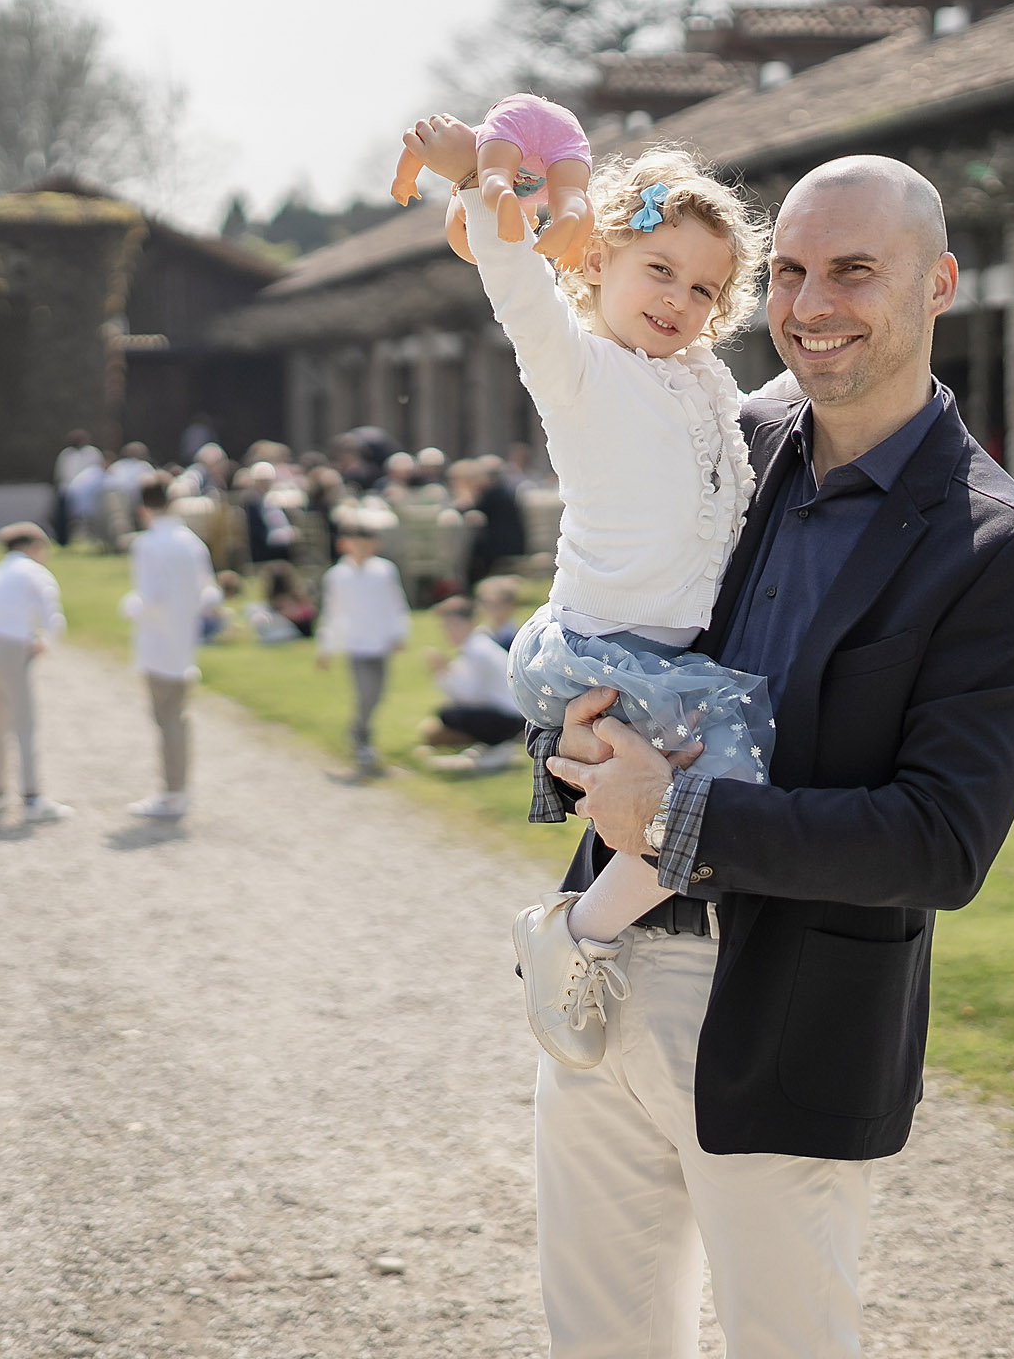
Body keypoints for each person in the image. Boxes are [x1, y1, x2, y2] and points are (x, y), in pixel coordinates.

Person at [528, 156, 1014, 1356]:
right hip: (604, 972)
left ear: (940, 285)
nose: (811, 302)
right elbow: (616, 608)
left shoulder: (1000, 547)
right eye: (790, 273)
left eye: (854, 271)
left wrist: (680, 818)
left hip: (790, 1016)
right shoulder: (729, 427)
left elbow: (941, 841)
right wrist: (559, 736)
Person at [395, 113, 772, 1057]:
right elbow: (519, 286)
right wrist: (495, 200)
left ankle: (609, 929)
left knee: (706, 792)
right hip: (604, 647)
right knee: (728, 777)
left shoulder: (702, 381)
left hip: (656, 652)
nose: (681, 300)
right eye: (660, 270)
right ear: (598, 258)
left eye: (705, 289)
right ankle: (578, 935)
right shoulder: (582, 370)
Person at [121, 478, 214, 821]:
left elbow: (152, 598)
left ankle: (173, 793)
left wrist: (130, 606)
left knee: (167, 720)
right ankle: (178, 789)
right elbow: (209, 594)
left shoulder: (148, 544)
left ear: (143, 508)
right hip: (184, 640)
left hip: (159, 643)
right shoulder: (191, 542)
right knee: (177, 716)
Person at [0, 522, 75, 823]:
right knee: (24, 724)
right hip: (13, 647)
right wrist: (46, 642)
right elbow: (52, 616)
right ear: (33, 546)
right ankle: (31, 796)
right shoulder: (33, 572)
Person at [315, 511, 408, 780]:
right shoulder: (338, 576)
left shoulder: (384, 571)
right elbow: (332, 612)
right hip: (357, 645)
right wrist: (326, 647)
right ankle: (361, 739)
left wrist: (398, 632)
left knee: (378, 694)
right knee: (365, 693)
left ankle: (362, 734)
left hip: (380, 643)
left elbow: (395, 603)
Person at [416, 596, 526, 758]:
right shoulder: (476, 645)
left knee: (448, 714)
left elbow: (468, 695)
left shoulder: (478, 650)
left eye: (453, 626)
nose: (448, 632)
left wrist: (441, 672)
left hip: (510, 716)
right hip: (509, 712)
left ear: (469, 623)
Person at [451, 456, 529, 594]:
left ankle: (466, 592)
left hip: (502, 547)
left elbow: (471, 513)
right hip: (507, 544)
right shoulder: (498, 491)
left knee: (468, 554)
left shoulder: (492, 494)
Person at [53, 430, 104, 546]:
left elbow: (96, 473)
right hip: (67, 490)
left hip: (88, 492)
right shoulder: (66, 454)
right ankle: (63, 541)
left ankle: (95, 541)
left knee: (90, 518)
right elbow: (60, 474)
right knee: (63, 518)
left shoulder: (92, 453)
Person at [474, 573, 524, 650]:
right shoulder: (479, 635)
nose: (493, 609)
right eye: (487, 603)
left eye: (499, 604)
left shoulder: (519, 636)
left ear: (511, 605)